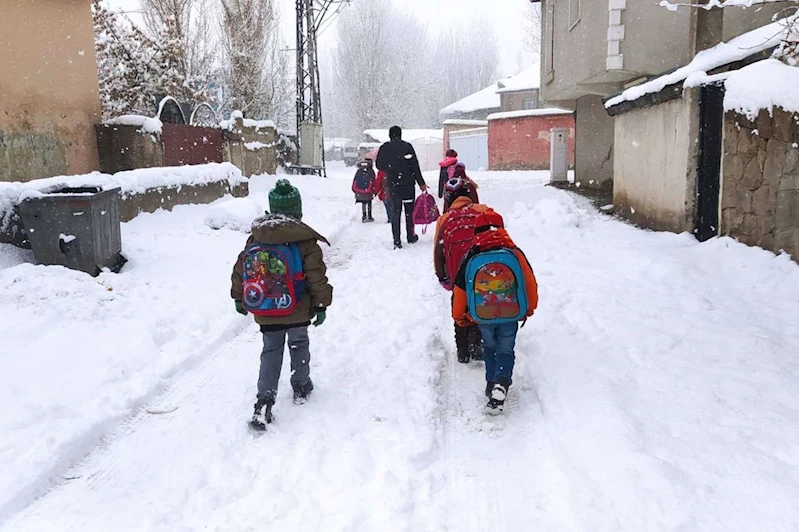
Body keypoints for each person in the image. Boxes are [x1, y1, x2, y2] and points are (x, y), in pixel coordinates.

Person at [230, 179, 333, 429]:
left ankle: (264, 400)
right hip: (297, 307)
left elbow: (241, 269)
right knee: (299, 343)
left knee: (270, 351)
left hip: (267, 308)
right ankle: (300, 386)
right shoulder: (305, 240)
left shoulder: (258, 236)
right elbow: (315, 276)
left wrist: (239, 297)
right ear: (298, 210)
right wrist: (321, 304)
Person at [451, 210, 538, 415]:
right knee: (506, 350)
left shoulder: (472, 255)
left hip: (484, 316)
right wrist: (529, 307)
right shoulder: (514, 253)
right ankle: (502, 382)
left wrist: (459, 317)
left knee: (489, 347)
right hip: (511, 313)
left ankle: (491, 383)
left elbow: (460, 290)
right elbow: (529, 282)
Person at [433, 178, 488, 364]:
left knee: (459, 308)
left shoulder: (445, 219)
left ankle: (462, 349)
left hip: (458, 275)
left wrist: (442, 276)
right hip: (483, 272)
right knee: (481, 303)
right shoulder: (483, 212)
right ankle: (477, 341)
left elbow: (438, 253)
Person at [376, 126, 428, 249]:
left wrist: (389, 167)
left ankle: (397, 241)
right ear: (400, 134)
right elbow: (415, 166)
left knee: (395, 211)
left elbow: (379, 165)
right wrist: (421, 183)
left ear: (390, 135)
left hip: (393, 184)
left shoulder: (385, 148)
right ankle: (410, 236)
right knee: (409, 211)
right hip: (408, 184)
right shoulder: (407, 147)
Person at [352, 158, 376, 223]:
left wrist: (355, 190)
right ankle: (370, 216)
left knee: (363, 203)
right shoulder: (371, 171)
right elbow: (374, 181)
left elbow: (355, 180)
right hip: (368, 191)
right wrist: (374, 191)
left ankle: (364, 216)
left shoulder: (359, 170)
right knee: (369, 202)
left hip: (360, 191)